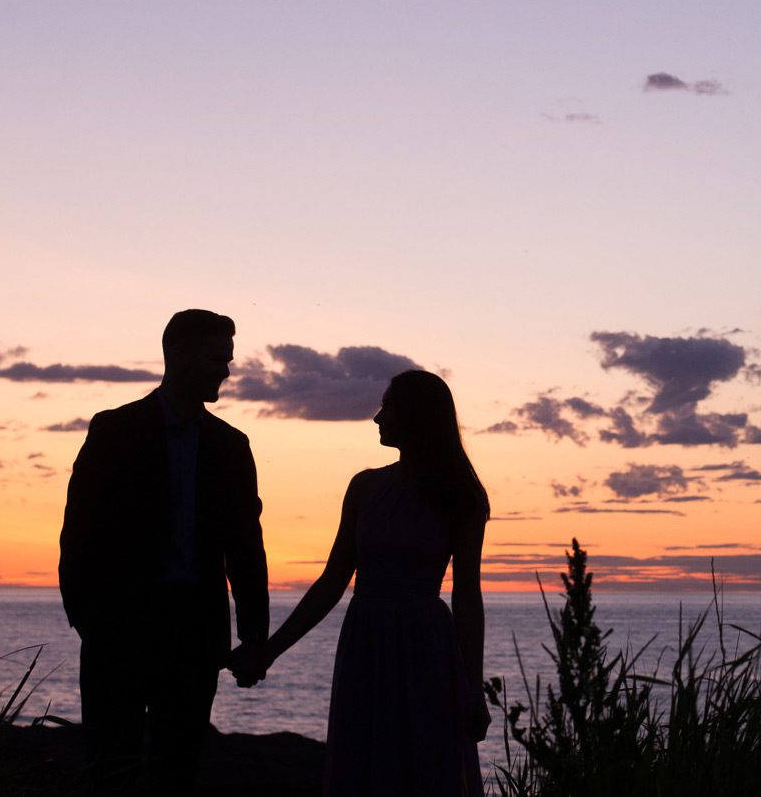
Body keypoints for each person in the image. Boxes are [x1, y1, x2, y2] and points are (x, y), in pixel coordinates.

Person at [237, 369, 490, 796]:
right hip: (365, 642)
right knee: (363, 762)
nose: (377, 417)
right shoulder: (364, 487)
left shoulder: (462, 496)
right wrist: (270, 651)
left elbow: (467, 595)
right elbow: (332, 581)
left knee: (426, 763)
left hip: (426, 648)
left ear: (416, 416)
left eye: (388, 406)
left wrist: (473, 688)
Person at [59, 309, 269, 794]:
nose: (227, 370)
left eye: (229, 359)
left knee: (179, 771)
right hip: (118, 630)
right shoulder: (113, 430)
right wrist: (87, 619)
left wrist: (254, 634)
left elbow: (245, 544)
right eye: (218, 358)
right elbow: (79, 532)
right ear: (178, 355)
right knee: (112, 767)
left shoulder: (231, 446)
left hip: (194, 635)